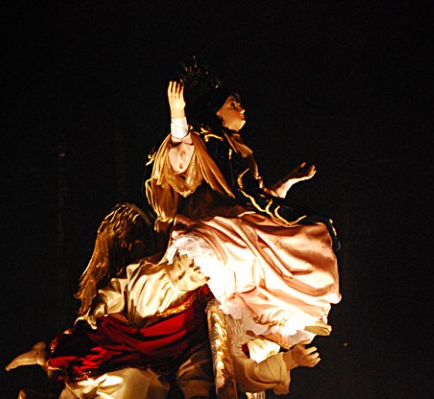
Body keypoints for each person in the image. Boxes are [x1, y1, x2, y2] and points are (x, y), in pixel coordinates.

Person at [145, 81, 341, 348]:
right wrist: (178, 114)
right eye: (232, 104)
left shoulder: (241, 149)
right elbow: (182, 162)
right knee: (286, 239)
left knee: (311, 235)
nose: (241, 109)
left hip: (241, 215)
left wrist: (287, 181)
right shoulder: (206, 138)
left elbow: (256, 197)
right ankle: (289, 311)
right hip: (212, 216)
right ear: (216, 112)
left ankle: (295, 312)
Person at [6, 251, 214, 399]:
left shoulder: (196, 310)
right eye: (181, 267)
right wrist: (103, 304)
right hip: (119, 342)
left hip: (152, 367)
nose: (182, 277)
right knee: (87, 363)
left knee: (131, 380)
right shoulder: (148, 269)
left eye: (193, 277)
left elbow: (194, 359)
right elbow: (119, 289)